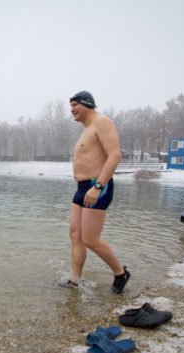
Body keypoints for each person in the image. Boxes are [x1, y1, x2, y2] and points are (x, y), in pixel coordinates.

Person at [65, 90, 130, 294]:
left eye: (75, 104)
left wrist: (98, 186)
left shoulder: (102, 122)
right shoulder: (86, 129)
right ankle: (75, 279)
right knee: (75, 235)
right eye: (70, 106)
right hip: (82, 188)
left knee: (90, 239)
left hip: (97, 186)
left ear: (88, 104)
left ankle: (120, 273)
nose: (72, 109)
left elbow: (114, 156)